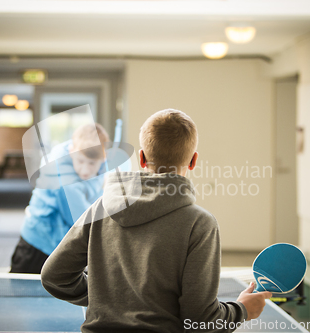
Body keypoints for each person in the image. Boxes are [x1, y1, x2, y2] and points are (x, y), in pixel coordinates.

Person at [41, 109, 271, 332]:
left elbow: (54, 276)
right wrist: (242, 310)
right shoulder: (200, 223)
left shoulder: (102, 208)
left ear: (141, 158)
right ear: (193, 161)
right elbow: (201, 322)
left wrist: (108, 297)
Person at [10, 123, 110, 274]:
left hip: (61, 245)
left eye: (91, 164)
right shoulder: (61, 176)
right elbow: (81, 222)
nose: (85, 170)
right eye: (81, 161)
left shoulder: (97, 157)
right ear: (71, 152)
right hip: (37, 247)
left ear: (104, 158)